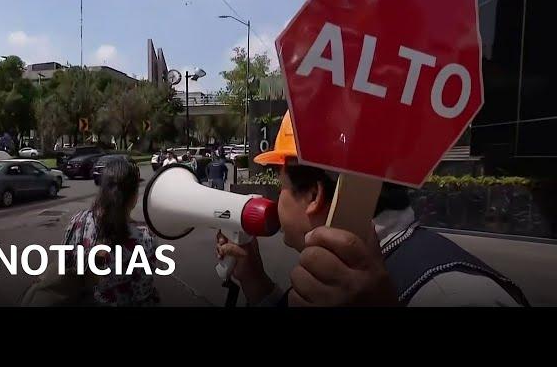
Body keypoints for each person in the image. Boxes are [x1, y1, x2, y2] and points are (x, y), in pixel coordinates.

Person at [216, 111, 529, 307]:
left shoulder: (456, 293)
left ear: (313, 194)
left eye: (280, 185)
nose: (275, 197)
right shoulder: (338, 279)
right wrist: (256, 282)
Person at [63, 157, 160, 306]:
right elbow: (143, 292)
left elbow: (66, 266)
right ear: (134, 197)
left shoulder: (77, 222)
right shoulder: (146, 238)